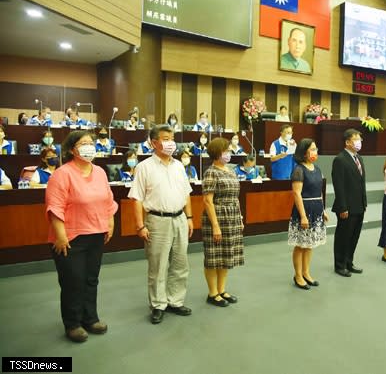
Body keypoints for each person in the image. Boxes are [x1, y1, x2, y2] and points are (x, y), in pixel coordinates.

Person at [46, 130, 118, 342]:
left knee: (90, 279)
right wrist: (60, 236)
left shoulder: (100, 172)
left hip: (96, 234)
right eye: (84, 143)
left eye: (91, 142)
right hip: (70, 237)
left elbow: (108, 201)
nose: (89, 146)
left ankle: (90, 318)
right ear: (71, 149)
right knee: (72, 281)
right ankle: (73, 323)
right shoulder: (62, 174)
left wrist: (110, 223)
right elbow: (55, 207)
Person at [128, 125, 194, 324]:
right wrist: (140, 225)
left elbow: (186, 193)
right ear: (154, 142)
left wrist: (189, 217)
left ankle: (175, 301)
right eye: (166, 138)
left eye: (172, 138)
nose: (171, 142)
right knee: (158, 266)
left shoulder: (179, 166)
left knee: (181, 264)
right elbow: (136, 198)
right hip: (157, 221)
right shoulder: (144, 167)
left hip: (180, 218)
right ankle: (158, 304)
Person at [201, 138, 244, 307]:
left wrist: (239, 218)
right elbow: (207, 201)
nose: (228, 153)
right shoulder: (211, 172)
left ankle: (222, 290)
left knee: (226, 255)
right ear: (217, 153)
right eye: (225, 151)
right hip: (216, 216)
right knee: (213, 257)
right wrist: (215, 226)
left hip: (232, 215)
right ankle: (212, 293)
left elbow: (236, 197)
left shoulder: (231, 170)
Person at [288, 138, 327, 289]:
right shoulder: (299, 170)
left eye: (316, 149)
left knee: (309, 244)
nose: (315, 152)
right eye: (312, 149)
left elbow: (320, 192)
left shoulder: (317, 169)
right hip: (304, 209)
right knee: (300, 245)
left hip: (316, 209)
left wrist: (323, 210)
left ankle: (306, 272)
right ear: (304, 152)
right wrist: (303, 216)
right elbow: (297, 194)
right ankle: (298, 275)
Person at [331, 128, 367, 277]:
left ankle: (349, 262)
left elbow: (360, 183)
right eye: (356, 139)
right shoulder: (340, 159)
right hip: (346, 206)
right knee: (343, 237)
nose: (359, 142)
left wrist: (364, 202)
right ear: (347, 142)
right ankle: (340, 265)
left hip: (359, 205)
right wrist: (343, 206)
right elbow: (339, 186)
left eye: (360, 139)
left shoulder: (359, 158)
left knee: (354, 237)